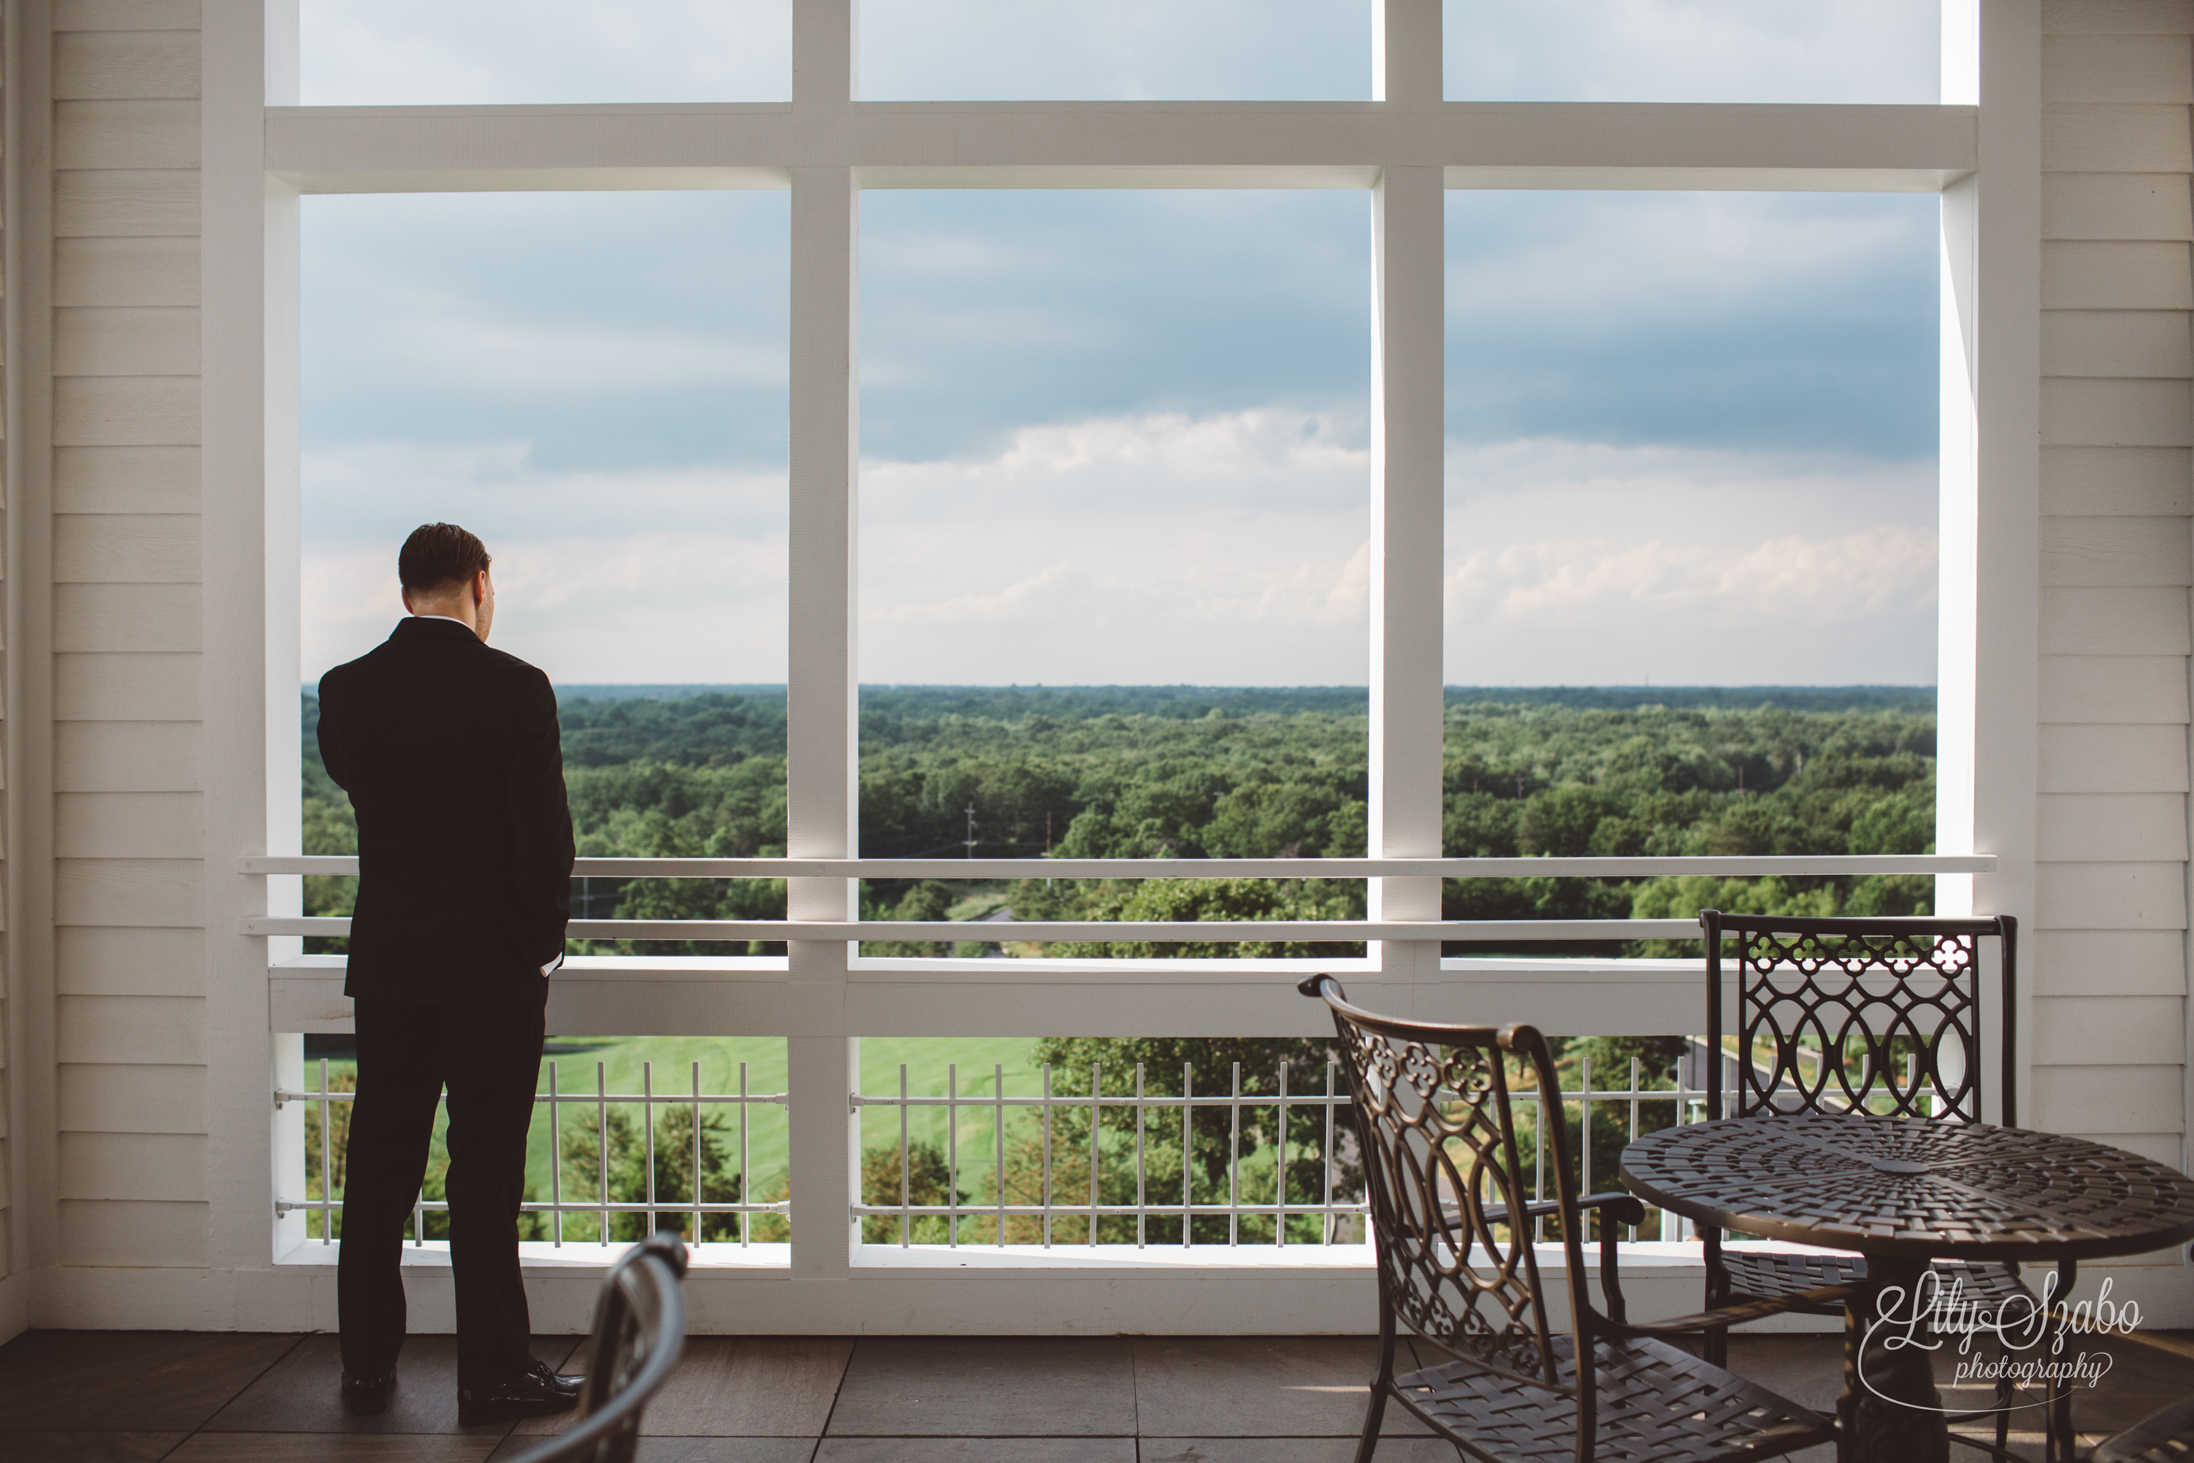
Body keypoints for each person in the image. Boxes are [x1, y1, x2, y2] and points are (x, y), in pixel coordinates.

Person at [319, 523, 581, 1423]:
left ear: (403, 592)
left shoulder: (347, 690)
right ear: (481, 582)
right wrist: (540, 943)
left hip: (391, 960)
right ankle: (493, 1372)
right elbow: (542, 839)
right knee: (484, 1170)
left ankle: (365, 1364)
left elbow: (368, 792)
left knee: (380, 1167)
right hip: (491, 966)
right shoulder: (516, 688)